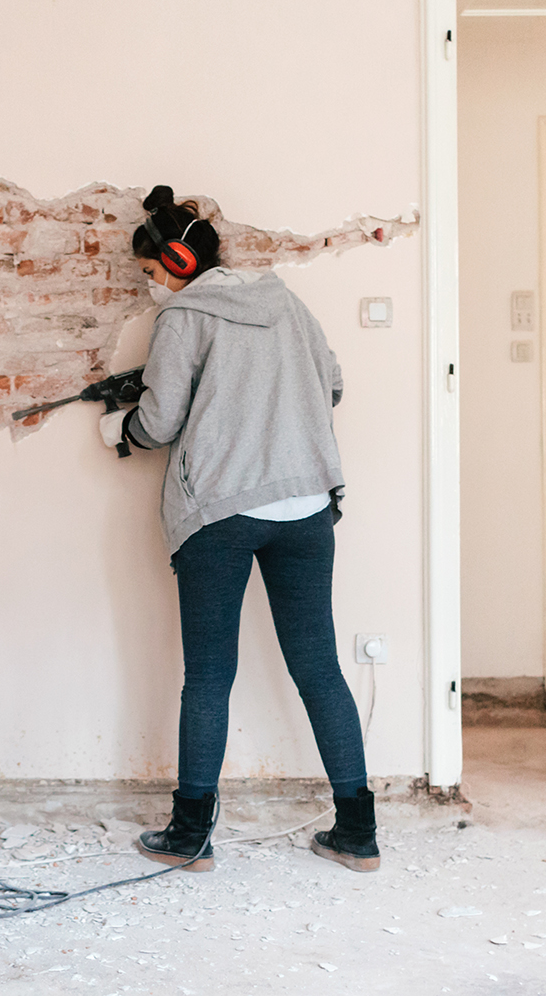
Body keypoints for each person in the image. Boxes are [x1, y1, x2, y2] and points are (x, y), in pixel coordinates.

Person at [106, 185, 380, 874]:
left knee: (208, 677)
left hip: (221, 516)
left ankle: (191, 835)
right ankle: (357, 832)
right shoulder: (286, 304)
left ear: (174, 262)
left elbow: (161, 424)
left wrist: (123, 428)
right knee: (319, 669)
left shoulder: (182, 319)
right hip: (306, 506)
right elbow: (334, 384)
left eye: (150, 274)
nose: (150, 287)